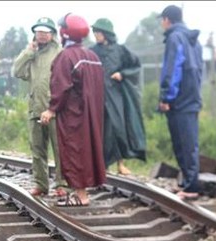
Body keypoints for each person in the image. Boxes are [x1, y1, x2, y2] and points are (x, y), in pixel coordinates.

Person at [40, 13, 106, 207]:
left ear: (64, 33)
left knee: (74, 151)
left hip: (73, 115)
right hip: (91, 113)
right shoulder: (92, 56)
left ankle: (81, 196)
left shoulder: (66, 56)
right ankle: (82, 193)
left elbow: (60, 86)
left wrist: (51, 109)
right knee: (87, 150)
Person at [12, 17, 68, 198]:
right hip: (35, 108)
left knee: (60, 149)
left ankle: (62, 184)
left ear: (52, 34)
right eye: (38, 32)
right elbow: (17, 71)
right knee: (37, 150)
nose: (41, 35)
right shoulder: (32, 54)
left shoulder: (60, 53)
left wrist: (54, 107)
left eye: (45, 32)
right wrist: (28, 51)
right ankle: (41, 184)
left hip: (55, 110)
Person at [90, 18, 146, 176]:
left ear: (106, 33)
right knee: (101, 130)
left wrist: (122, 74)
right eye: (94, 32)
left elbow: (135, 66)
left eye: (98, 32)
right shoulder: (92, 51)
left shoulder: (121, 50)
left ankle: (121, 164)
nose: (96, 35)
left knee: (119, 129)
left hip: (116, 96)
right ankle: (102, 165)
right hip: (98, 97)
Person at [158, 5, 203, 200]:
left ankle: (192, 185)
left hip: (179, 100)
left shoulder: (175, 38)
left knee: (184, 144)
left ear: (167, 20)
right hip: (191, 97)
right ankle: (187, 182)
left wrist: (166, 97)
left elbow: (172, 68)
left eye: (162, 20)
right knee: (187, 143)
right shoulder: (193, 40)